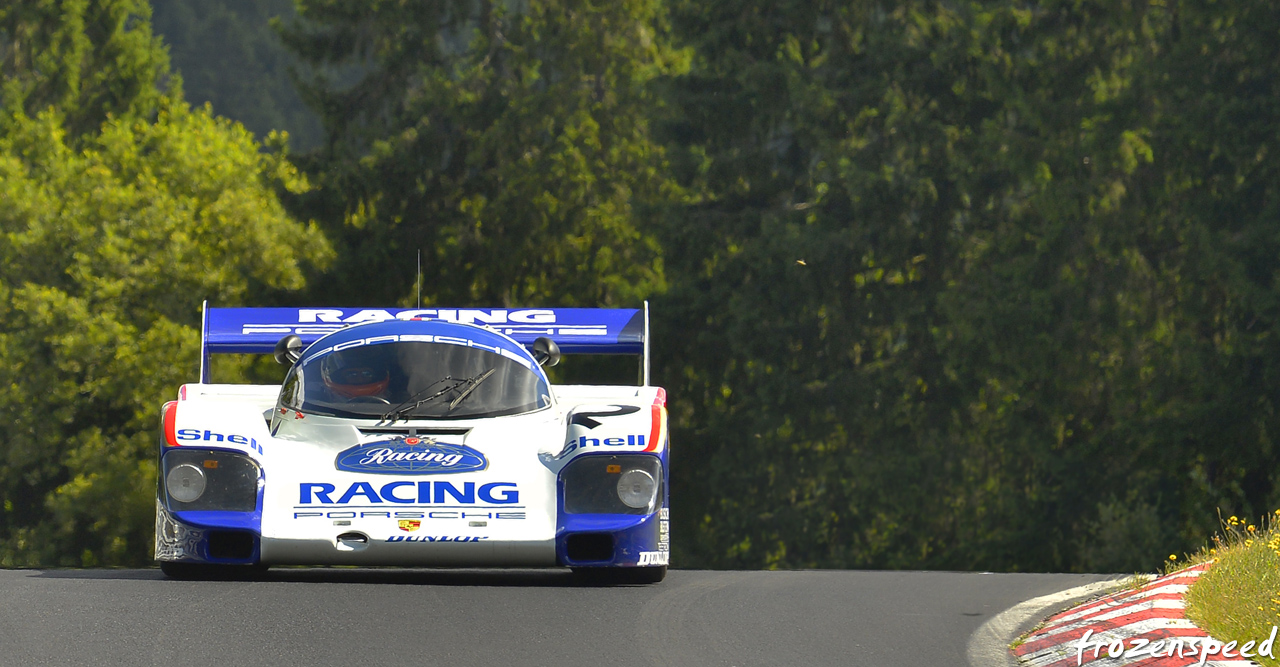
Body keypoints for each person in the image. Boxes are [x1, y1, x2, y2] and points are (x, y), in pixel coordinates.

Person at [320, 346, 391, 400]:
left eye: (366, 374)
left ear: (377, 376)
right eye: (352, 374)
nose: (360, 379)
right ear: (339, 377)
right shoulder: (316, 401)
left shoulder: (397, 404)